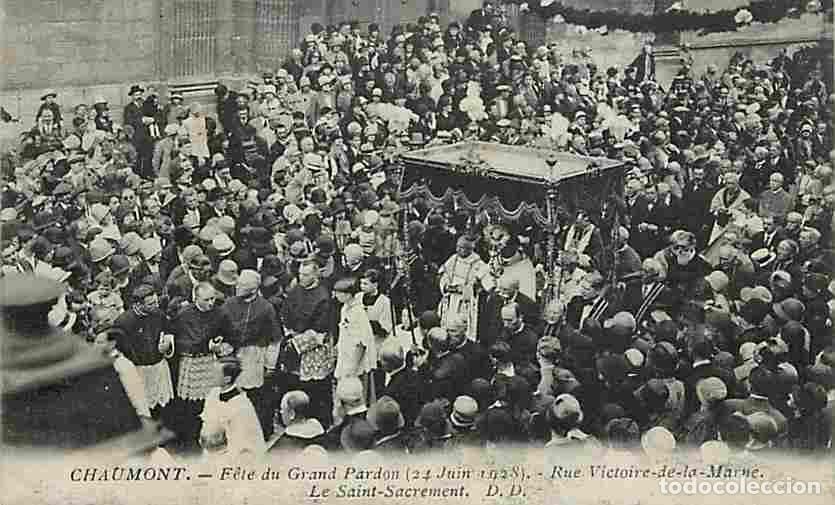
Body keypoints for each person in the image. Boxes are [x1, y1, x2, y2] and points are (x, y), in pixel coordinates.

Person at [201, 356, 266, 458]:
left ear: (227, 379)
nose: (211, 376)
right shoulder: (213, 394)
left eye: (215, 374)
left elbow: (241, 442)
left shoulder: (241, 405)